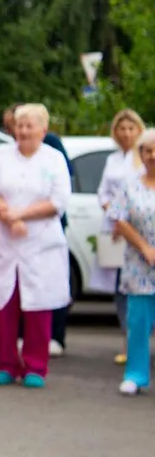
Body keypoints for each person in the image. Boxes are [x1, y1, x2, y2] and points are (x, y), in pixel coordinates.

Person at [0, 103, 71, 389]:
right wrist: (6, 215)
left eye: (30, 126)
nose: (24, 131)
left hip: (39, 244)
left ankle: (35, 366)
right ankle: (6, 362)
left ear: (43, 129)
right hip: (3, 242)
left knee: (38, 306)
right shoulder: (2, 156)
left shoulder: (53, 159)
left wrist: (21, 215)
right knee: (2, 304)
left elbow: (58, 200)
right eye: (20, 125)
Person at [106, 128, 155, 396]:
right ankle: (135, 374)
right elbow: (119, 219)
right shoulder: (131, 185)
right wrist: (144, 246)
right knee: (138, 322)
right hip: (139, 264)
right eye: (147, 151)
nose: (153, 156)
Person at [96, 109, 145, 365]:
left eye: (131, 128)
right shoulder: (112, 159)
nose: (126, 133)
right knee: (122, 288)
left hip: (142, 229)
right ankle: (128, 341)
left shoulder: (146, 157)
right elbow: (103, 193)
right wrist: (116, 217)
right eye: (121, 129)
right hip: (115, 229)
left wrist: (126, 220)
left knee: (145, 289)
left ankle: (142, 339)